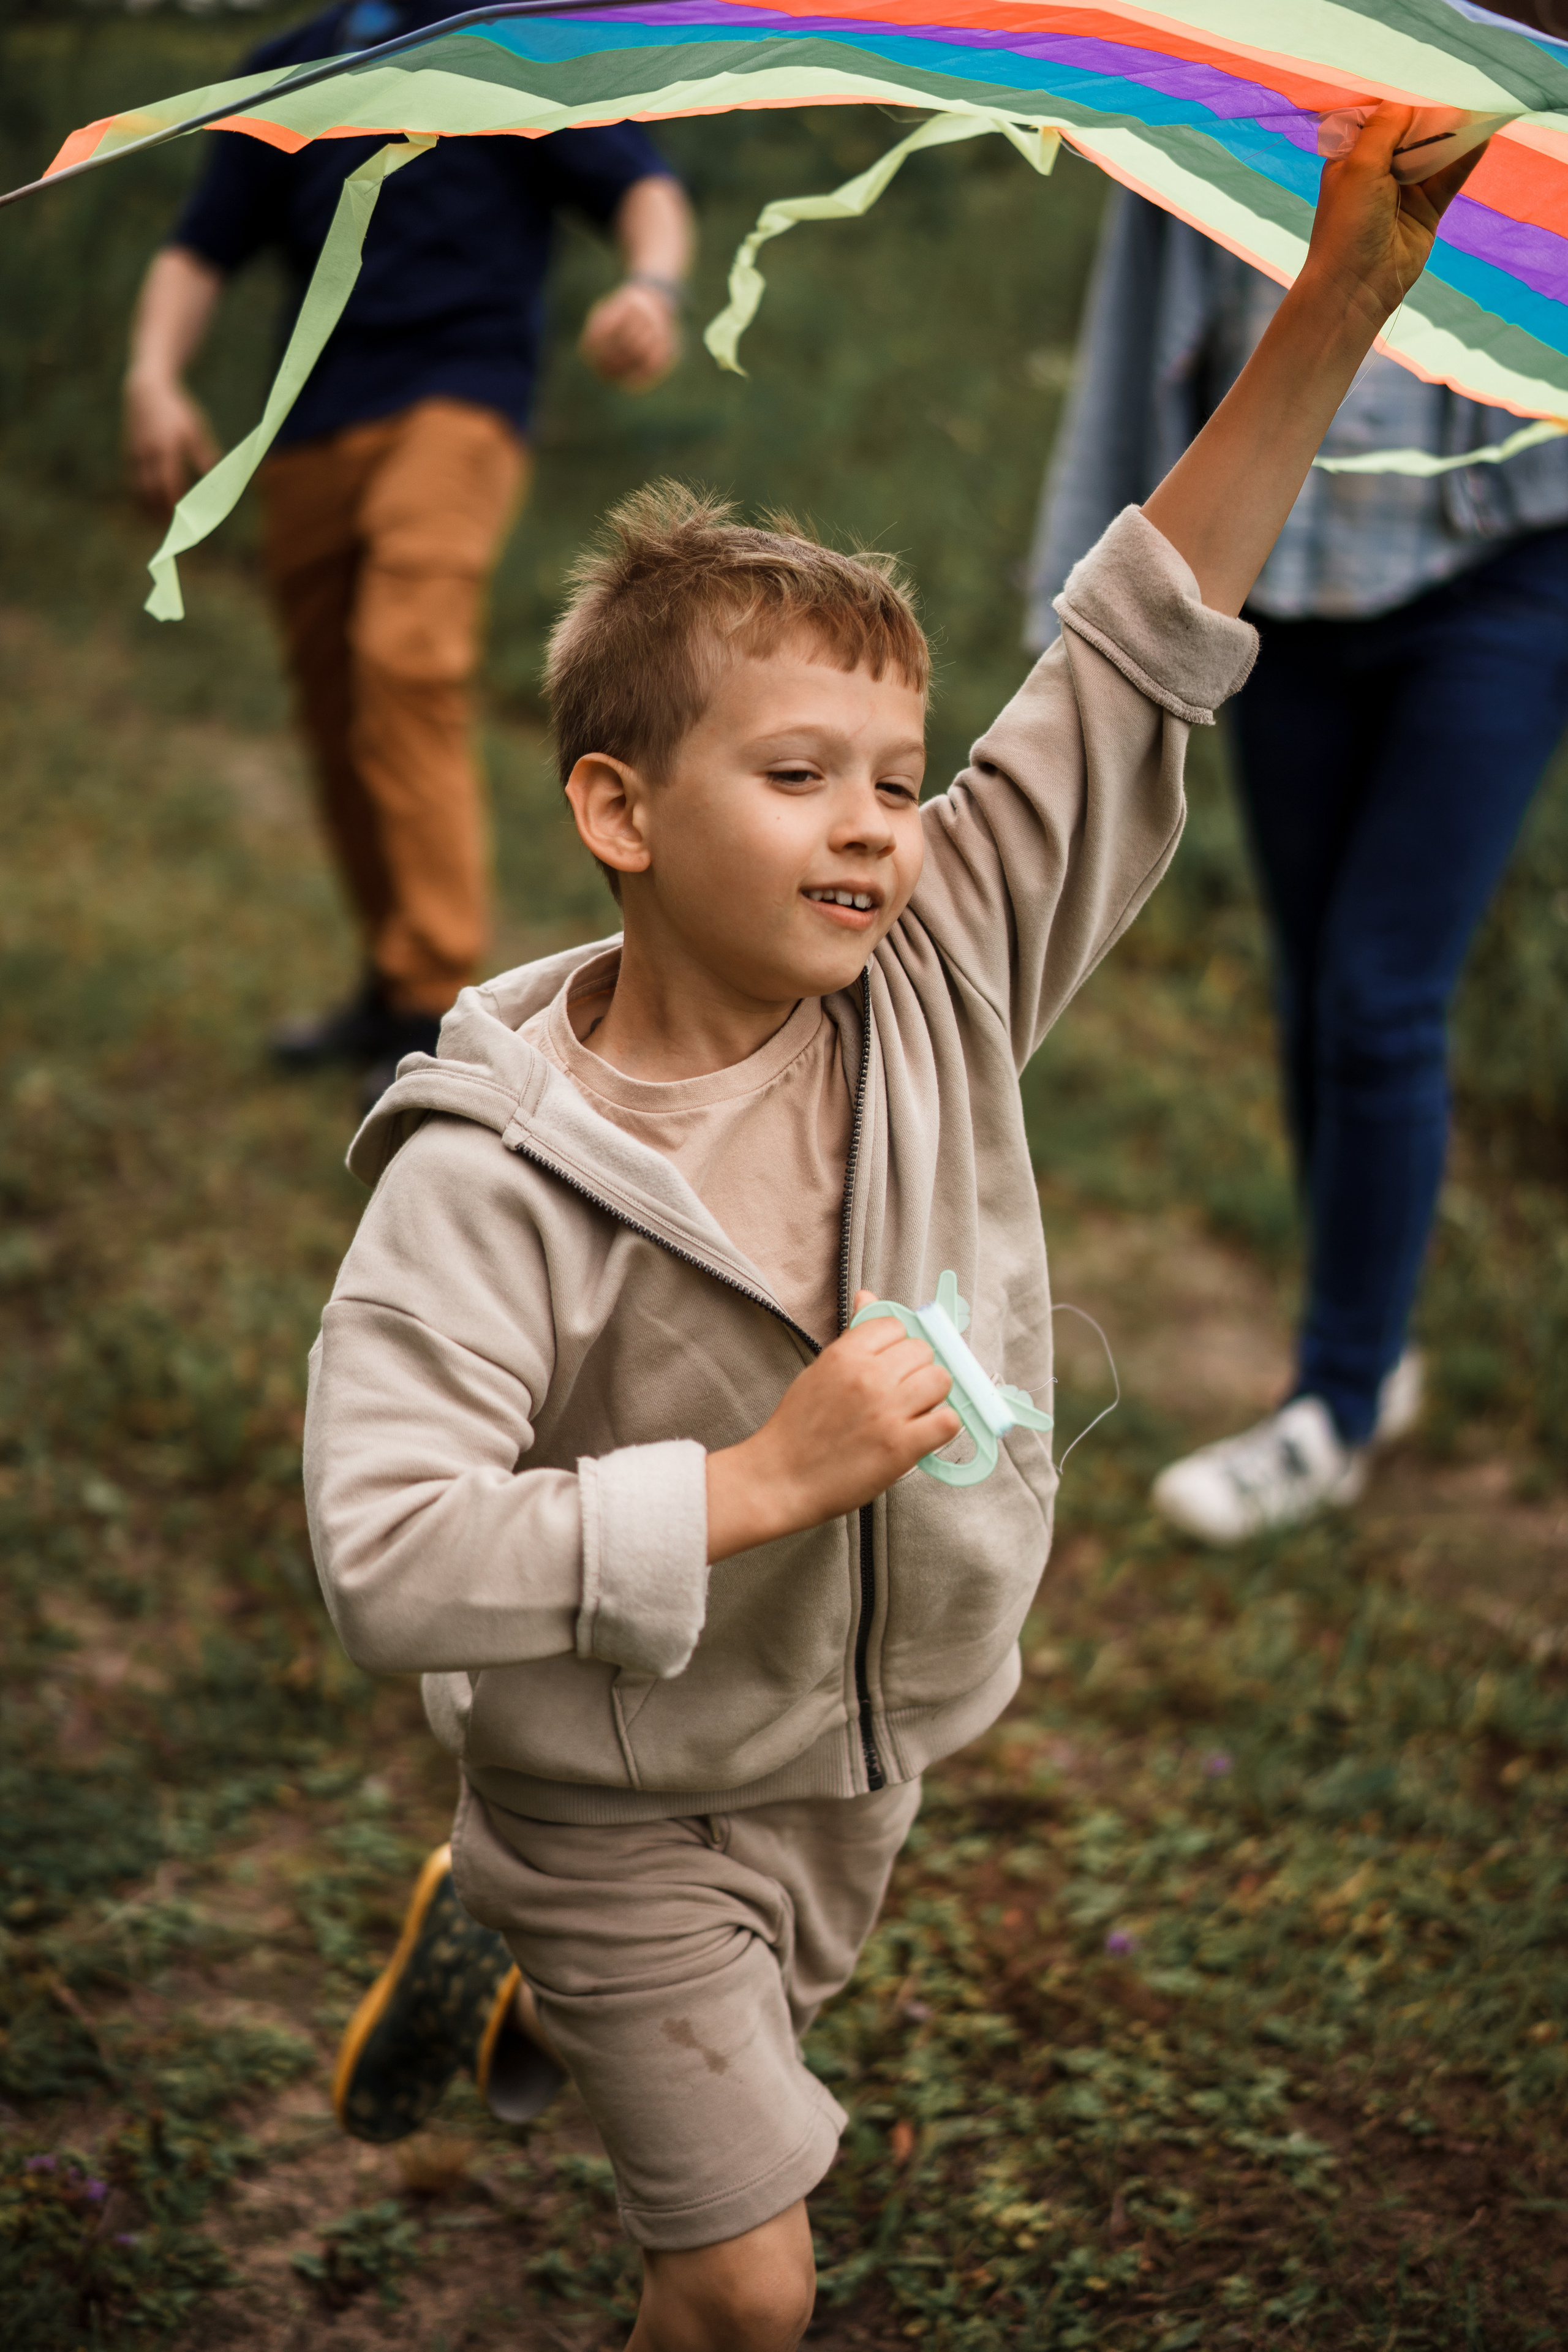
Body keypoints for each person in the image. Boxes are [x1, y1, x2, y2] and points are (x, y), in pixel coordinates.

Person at [303, 112, 1472, 2348]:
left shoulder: (939, 974)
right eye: (799, 775)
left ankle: (514, 1975)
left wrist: (1337, 300)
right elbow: (387, 1550)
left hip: (860, 1766)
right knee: (747, 2292)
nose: (877, 825)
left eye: (900, 771)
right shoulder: (489, 1174)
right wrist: (760, 1482)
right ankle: (545, 1924)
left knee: (742, 2054)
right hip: (615, 1797)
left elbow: (1139, 644)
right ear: (621, 813)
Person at [1027, 186, 1568, 1548]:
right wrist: (1091, 587)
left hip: (1503, 563)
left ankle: (1327, 1400)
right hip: (1279, 568)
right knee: (1317, 979)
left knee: (1379, 992)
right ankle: (1365, 1359)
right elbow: (1133, 329)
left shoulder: (1520, 76)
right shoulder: (1246, 60)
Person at [123, 0, 694, 1102]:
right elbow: (198, 249)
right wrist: (152, 375)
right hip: (307, 427)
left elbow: (645, 187)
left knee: (404, 659)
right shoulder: (288, 69)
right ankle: (392, 982)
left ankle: (444, 1005)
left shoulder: (501, 44)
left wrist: (651, 285)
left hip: (458, 403)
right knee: (336, 700)